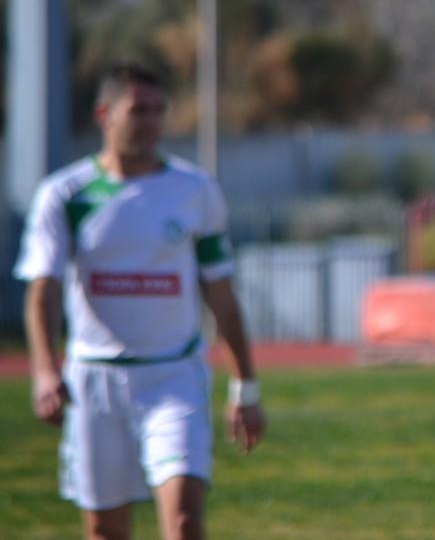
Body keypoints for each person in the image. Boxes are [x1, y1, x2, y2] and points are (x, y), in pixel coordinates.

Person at [15, 63, 266, 540]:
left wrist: (246, 387)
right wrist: (46, 370)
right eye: (138, 111)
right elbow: (42, 289)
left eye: (158, 111)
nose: (151, 122)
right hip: (94, 383)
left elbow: (221, 294)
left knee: (185, 521)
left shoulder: (194, 190)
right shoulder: (64, 194)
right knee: (106, 531)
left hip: (174, 376)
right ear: (104, 114)